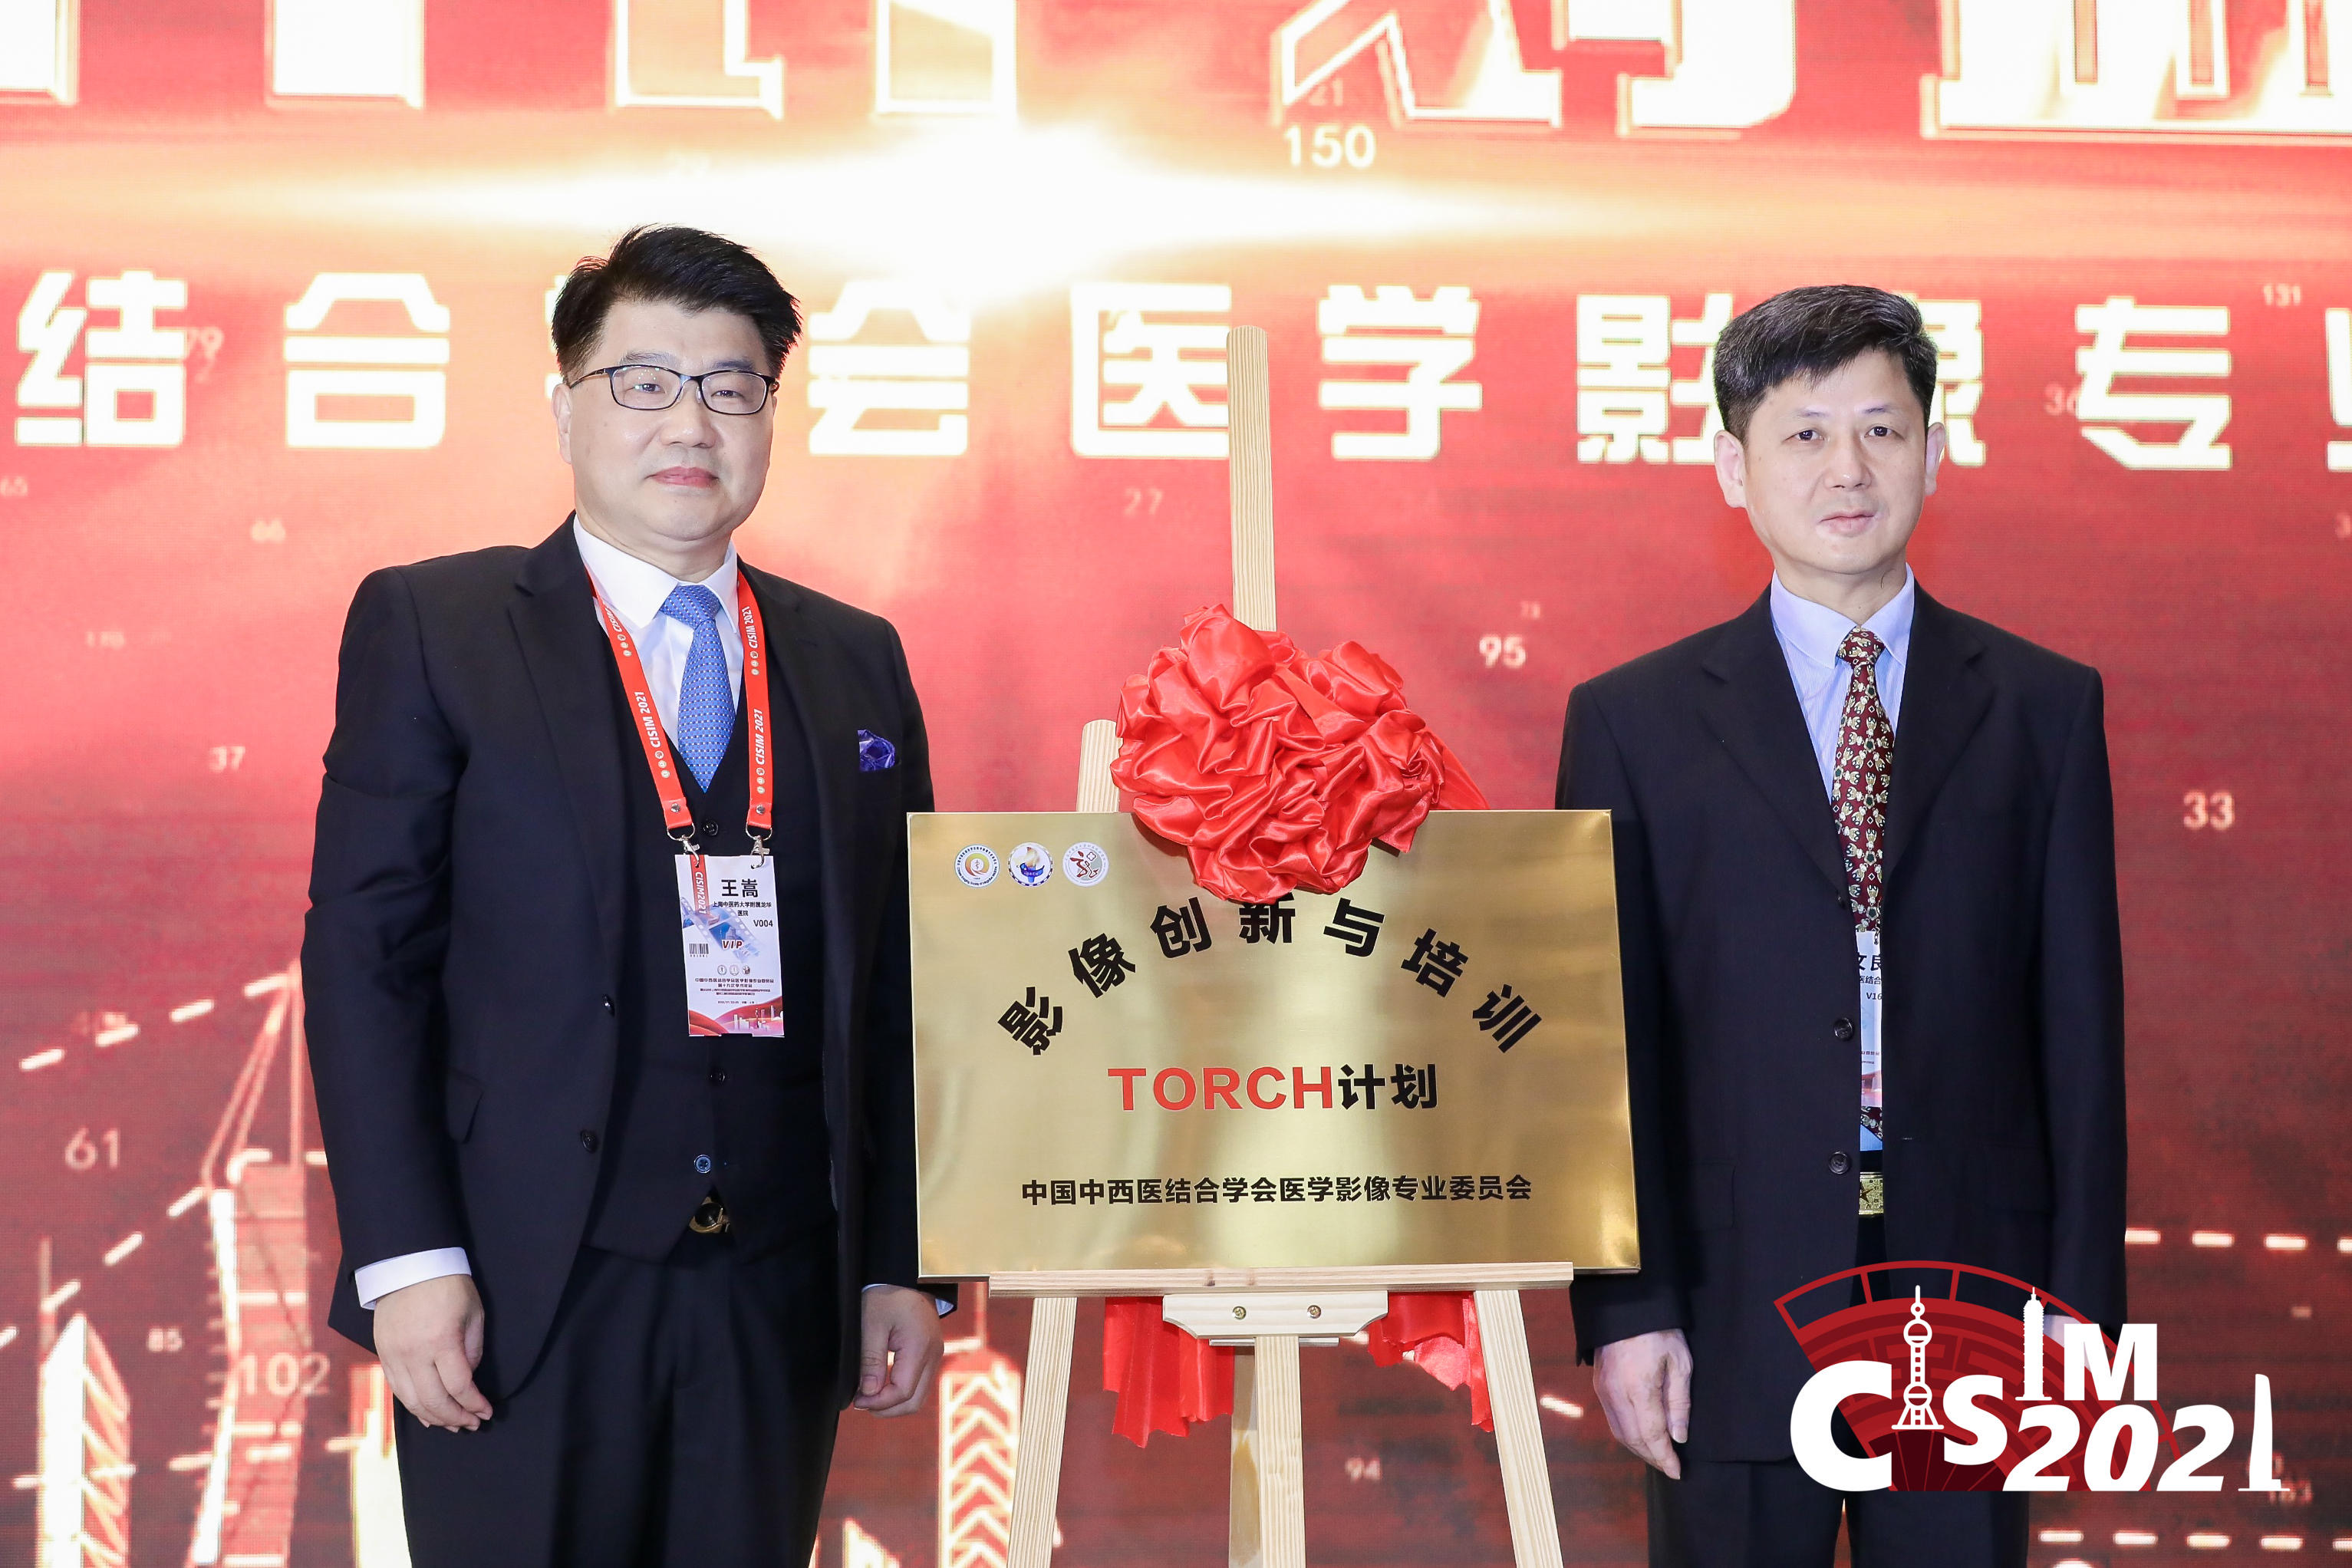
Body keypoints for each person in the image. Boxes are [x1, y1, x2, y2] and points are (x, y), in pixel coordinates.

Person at [303, 225, 950, 1567]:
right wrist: (408, 1261)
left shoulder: (856, 659)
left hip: (778, 1288)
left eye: (730, 386)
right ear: (566, 407)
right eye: (643, 382)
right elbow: (366, 962)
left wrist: (903, 1257)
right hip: (518, 1282)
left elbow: (903, 984)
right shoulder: (438, 627)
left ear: (769, 413)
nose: (689, 423)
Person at [1556, 285, 2125, 1566]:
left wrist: (2078, 1301)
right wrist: (1627, 1307)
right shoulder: (1633, 722)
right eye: (1804, 434)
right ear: (1732, 467)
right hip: (1728, 1296)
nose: (1847, 468)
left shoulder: (2041, 707)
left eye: (1880, 428)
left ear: (1935, 449)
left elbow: (2079, 1029)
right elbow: (1606, 1044)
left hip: (1972, 1296)